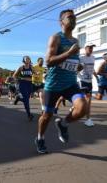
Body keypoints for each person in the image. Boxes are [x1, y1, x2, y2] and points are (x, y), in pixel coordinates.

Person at [35, 9, 87, 154]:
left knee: (82, 107)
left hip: (71, 83)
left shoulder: (76, 41)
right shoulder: (56, 38)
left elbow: (71, 63)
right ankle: (40, 138)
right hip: (53, 85)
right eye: (70, 17)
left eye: (74, 17)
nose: (73, 20)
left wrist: (78, 66)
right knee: (47, 116)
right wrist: (69, 53)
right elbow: (49, 61)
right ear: (61, 22)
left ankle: (63, 124)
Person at [78, 42, 98, 127]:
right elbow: (76, 69)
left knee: (86, 101)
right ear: (85, 48)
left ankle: (75, 108)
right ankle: (88, 119)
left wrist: (96, 77)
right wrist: (79, 74)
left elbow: (92, 69)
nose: (91, 49)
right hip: (82, 80)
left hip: (90, 81)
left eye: (92, 48)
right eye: (89, 47)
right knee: (88, 100)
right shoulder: (81, 58)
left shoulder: (93, 58)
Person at [13, 56, 34, 121]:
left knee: (26, 99)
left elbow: (34, 74)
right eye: (26, 59)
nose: (27, 60)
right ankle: (29, 114)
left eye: (28, 59)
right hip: (23, 84)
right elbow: (14, 75)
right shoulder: (21, 67)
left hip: (30, 84)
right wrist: (21, 78)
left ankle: (19, 98)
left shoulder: (31, 67)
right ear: (24, 60)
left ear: (30, 60)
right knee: (26, 100)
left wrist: (37, 74)